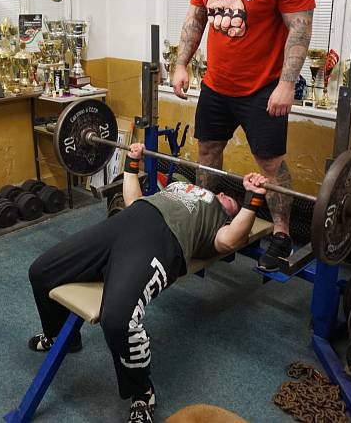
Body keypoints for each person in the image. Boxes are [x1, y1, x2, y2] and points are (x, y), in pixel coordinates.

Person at [28, 143, 268, 423]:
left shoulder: (217, 220)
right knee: (41, 271)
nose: (225, 195)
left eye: (232, 201)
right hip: (127, 220)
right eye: (226, 193)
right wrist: (132, 162)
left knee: (118, 321)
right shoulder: (177, 188)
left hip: (160, 239)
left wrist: (252, 200)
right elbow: (132, 199)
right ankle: (60, 337)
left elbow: (230, 241)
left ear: (231, 212)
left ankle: (142, 392)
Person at [170, 0, 315, 273]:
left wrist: (286, 84)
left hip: (264, 88)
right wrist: (181, 63)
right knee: (207, 151)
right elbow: (196, 18)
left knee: (270, 164)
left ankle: (281, 234)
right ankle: (206, 214)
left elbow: (299, 30)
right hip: (217, 85)